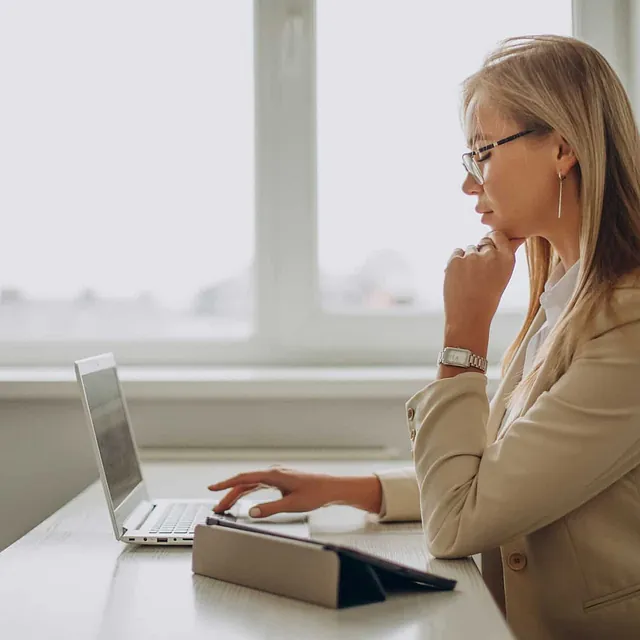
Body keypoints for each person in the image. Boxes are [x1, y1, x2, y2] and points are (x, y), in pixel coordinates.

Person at [207, 35, 640, 639]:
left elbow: (457, 522)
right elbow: (507, 473)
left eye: (482, 154)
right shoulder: (565, 301)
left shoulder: (628, 332)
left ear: (563, 147)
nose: (470, 185)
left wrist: (463, 335)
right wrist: (346, 490)